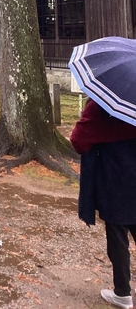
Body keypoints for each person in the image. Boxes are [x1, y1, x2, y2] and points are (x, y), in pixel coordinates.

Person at [70, 98, 136, 309]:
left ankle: (122, 293)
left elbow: (78, 140)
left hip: (116, 177)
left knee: (117, 236)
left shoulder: (105, 103)